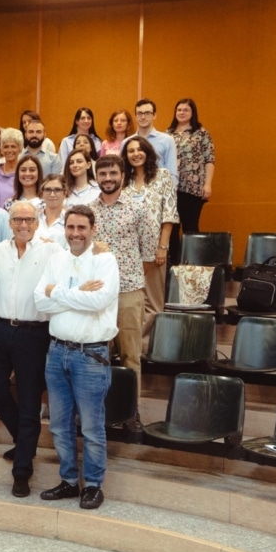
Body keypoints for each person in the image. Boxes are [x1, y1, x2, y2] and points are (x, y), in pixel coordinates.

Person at [35, 204, 120, 510]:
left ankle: (94, 485)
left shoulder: (105, 260)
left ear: (93, 229)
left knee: (91, 428)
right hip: (57, 352)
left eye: (82, 228)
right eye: (70, 227)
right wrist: (75, 293)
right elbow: (38, 300)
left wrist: (57, 291)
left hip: (90, 356)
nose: (75, 234)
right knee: (59, 425)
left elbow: (99, 300)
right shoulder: (56, 258)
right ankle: (70, 481)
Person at [0, 201, 62, 498]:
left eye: (29, 219)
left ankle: (22, 471)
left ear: (37, 221)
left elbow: (75, 261)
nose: (23, 224)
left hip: (33, 333)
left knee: (30, 399)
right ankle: (24, 441)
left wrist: (102, 249)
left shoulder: (51, 250)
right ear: (10, 222)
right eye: (17, 219)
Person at [90, 154, 159, 434]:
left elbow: (148, 250)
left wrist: (124, 273)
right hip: (95, 294)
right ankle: (99, 410)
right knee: (98, 356)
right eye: (102, 173)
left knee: (131, 356)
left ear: (122, 175)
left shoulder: (138, 208)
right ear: (97, 176)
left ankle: (132, 412)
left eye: (112, 173)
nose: (107, 178)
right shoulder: (87, 210)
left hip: (129, 291)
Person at [122, 136, 178, 347]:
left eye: (140, 149)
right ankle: (127, 345)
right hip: (128, 251)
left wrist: (162, 247)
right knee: (129, 301)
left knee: (152, 303)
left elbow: (169, 215)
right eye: (130, 151)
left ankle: (143, 347)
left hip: (155, 249)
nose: (135, 154)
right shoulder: (123, 180)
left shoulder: (163, 176)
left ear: (148, 152)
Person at [167, 98, 216, 264]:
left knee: (190, 227)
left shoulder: (201, 133)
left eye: (185, 110)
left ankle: (194, 265)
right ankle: (174, 264)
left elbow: (210, 159)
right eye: (179, 109)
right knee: (172, 229)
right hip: (171, 189)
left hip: (193, 188)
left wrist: (207, 184)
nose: (181, 112)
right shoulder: (168, 134)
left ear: (192, 113)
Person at [132, 98, 179, 185]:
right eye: (139, 113)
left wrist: (168, 196)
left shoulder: (167, 140)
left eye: (147, 113)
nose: (143, 117)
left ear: (154, 115)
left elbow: (172, 174)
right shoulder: (127, 142)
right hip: (133, 193)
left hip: (159, 193)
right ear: (135, 116)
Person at [0, 128, 23, 208]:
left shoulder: (25, 174)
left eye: (13, 146)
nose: (9, 150)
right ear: (1, 149)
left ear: (20, 149)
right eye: (6, 147)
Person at [36, 174, 68, 248]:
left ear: (65, 192)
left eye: (57, 190)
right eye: (48, 190)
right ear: (42, 193)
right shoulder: (33, 218)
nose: (52, 194)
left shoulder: (71, 220)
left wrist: (54, 248)